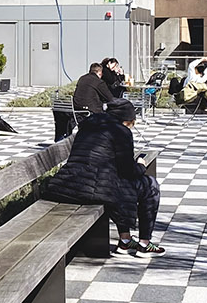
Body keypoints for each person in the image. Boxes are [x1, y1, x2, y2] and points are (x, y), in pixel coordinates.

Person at [43, 99, 162, 253]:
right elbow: (128, 172)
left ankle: (125, 240)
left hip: (67, 184)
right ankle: (145, 243)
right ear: (126, 120)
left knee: (114, 184)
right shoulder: (121, 131)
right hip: (91, 190)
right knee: (150, 185)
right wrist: (140, 165)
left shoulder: (89, 124)